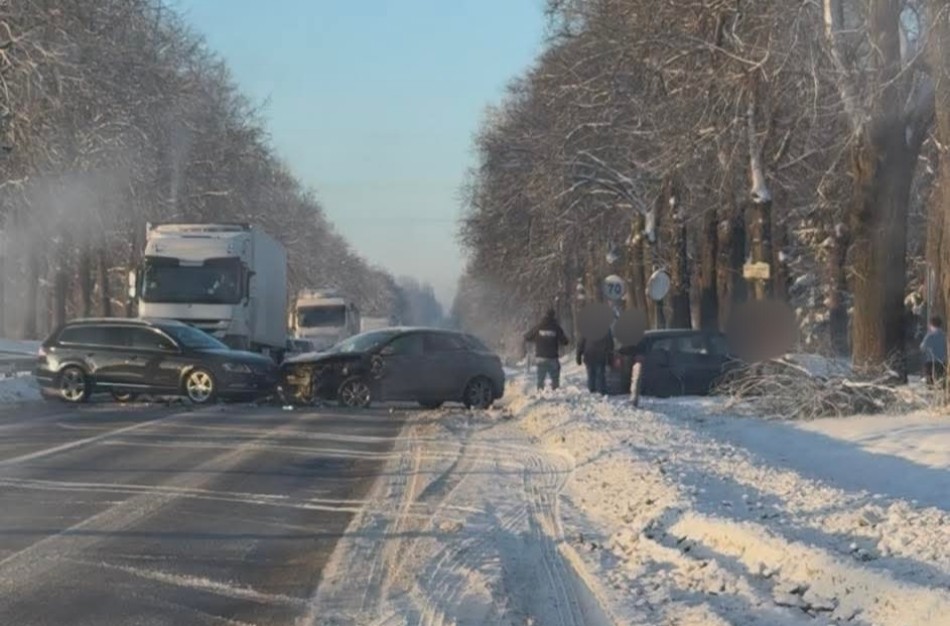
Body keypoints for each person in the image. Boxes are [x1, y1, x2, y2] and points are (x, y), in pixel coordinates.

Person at [525, 308, 569, 391]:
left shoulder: (538, 327)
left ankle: (540, 392)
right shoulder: (556, 328)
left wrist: (537, 339)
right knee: (555, 378)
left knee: (540, 378)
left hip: (540, 357)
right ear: (554, 316)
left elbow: (527, 337)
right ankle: (555, 392)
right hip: (552, 357)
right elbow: (565, 341)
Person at [577, 327, 613, 395]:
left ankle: (592, 390)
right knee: (600, 374)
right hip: (600, 355)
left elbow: (581, 343)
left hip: (589, 354)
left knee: (591, 374)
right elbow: (610, 344)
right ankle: (600, 391)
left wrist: (578, 355)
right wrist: (610, 357)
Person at [920, 316, 947, 386]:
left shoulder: (929, 336)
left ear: (931, 325)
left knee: (930, 383)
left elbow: (922, 347)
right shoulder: (944, 336)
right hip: (942, 362)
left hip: (930, 362)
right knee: (941, 382)